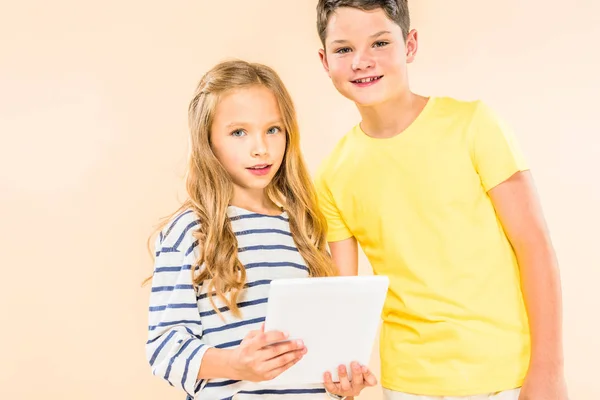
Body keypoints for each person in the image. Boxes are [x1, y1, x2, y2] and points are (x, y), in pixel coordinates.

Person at [313, 1, 569, 399]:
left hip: (509, 376)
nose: (361, 61)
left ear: (410, 44)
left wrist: (548, 372)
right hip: (408, 385)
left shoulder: (473, 124)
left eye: (379, 42)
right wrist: (342, 370)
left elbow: (534, 246)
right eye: (344, 49)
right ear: (324, 61)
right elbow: (346, 298)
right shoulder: (332, 175)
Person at [144, 59, 377, 400]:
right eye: (239, 132)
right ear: (209, 140)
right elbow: (164, 348)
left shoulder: (304, 230)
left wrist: (341, 383)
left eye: (273, 129)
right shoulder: (191, 231)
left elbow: (319, 347)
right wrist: (236, 364)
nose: (261, 148)